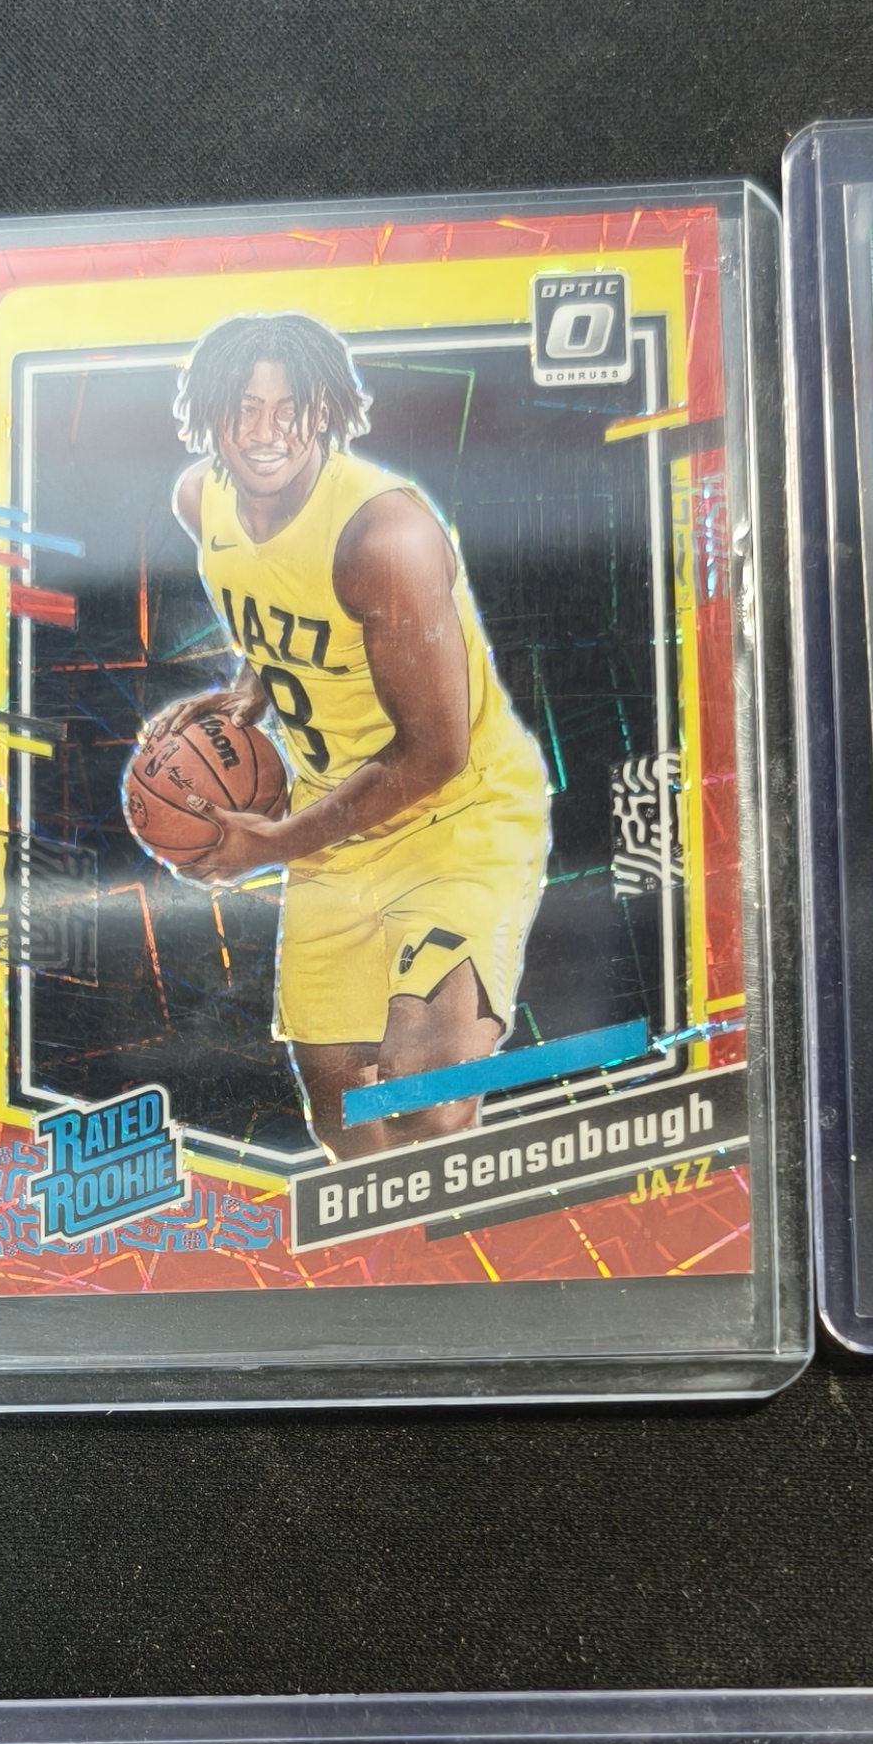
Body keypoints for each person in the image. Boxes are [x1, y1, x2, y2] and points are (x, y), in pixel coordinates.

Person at [155, 313, 556, 1163]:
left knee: (424, 1107)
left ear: (325, 410)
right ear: (212, 413)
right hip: (336, 818)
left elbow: (436, 752)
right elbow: (285, 605)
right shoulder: (201, 501)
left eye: (290, 408)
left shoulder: (385, 535)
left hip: (457, 814)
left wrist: (273, 844)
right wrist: (247, 692)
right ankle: (423, 1240)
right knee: (346, 1129)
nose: (267, 431)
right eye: (246, 408)